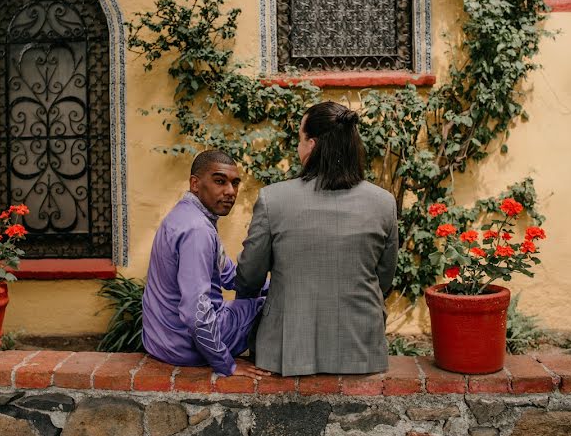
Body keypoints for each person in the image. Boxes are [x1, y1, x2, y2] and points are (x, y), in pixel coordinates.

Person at [236, 101, 399, 376]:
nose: (298, 147)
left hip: (287, 349)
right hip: (360, 346)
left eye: (299, 139)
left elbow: (249, 278)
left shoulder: (273, 199)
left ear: (311, 144)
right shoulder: (383, 202)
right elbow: (384, 277)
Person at [142, 150, 269, 379]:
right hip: (183, 347)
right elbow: (195, 313)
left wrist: (280, 285)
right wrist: (227, 365)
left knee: (261, 297)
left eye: (235, 183)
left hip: (161, 341)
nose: (230, 191)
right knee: (268, 307)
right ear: (195, 184)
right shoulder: (197, 231)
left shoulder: (188, 216)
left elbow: (231, 277)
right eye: (220, 181)